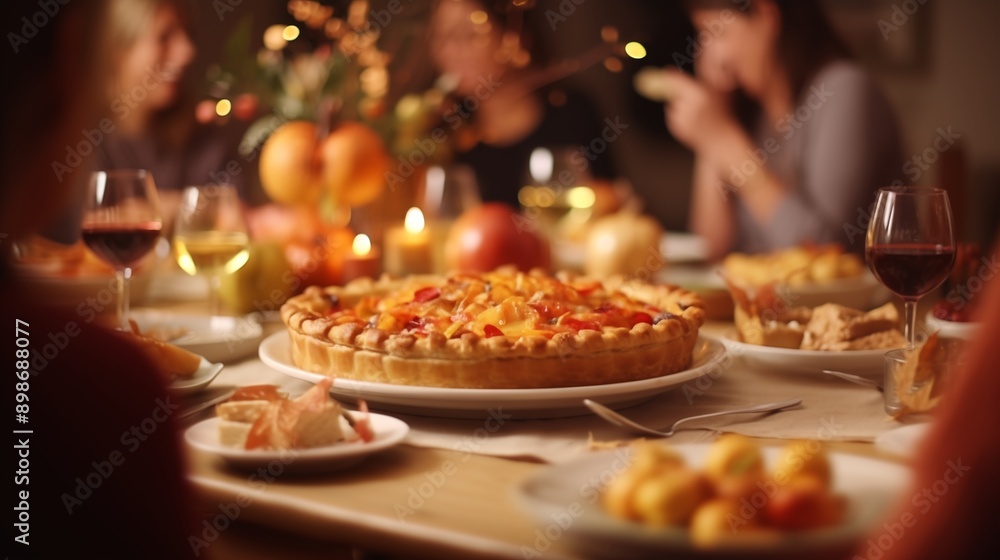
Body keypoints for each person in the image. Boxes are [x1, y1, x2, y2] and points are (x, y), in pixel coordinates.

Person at [1, 1, 198, 557]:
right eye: (164, 38)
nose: (186, 53)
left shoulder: (195, 129)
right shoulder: (97, 385)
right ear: (76, 57)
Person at [661, 0, 903, 259]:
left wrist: (722, 140)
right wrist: (712, 132)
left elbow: (820, 251)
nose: (712, 57)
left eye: (719, 33)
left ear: (767, 16)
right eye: (702, 37)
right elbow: (711, 248)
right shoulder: (754, 115)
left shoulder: (845, 90)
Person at [44, 0, 246, 243]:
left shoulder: (205, 138)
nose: (188, 51)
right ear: (118, 49)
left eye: (187, 33)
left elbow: (237, 217)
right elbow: (74, 232)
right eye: (164, 36)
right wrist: (190, 207)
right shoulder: (73, 140)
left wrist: (143, 210)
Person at [426, 0, 617, 209]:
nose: (450, 51)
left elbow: (608, 200)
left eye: (467, 35)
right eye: (440, 37)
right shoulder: (441, 131)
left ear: (515, 37)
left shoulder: (571, 113)